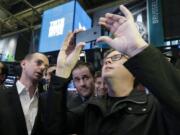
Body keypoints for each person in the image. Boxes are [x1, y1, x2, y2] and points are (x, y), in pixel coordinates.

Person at [45, 5, 180, 135]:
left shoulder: (154, 106)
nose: (108, 61)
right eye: (105, 61)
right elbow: (55, 127)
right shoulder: (92, 107)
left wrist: (137, 48)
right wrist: (61, 73)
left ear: (134, 71)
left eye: (116, 57)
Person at [0, 53, 49, 135]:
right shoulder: (2, 96)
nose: (43, 67)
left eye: (46, 67)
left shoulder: (45, 101)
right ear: (23, 64)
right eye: (38, 63)